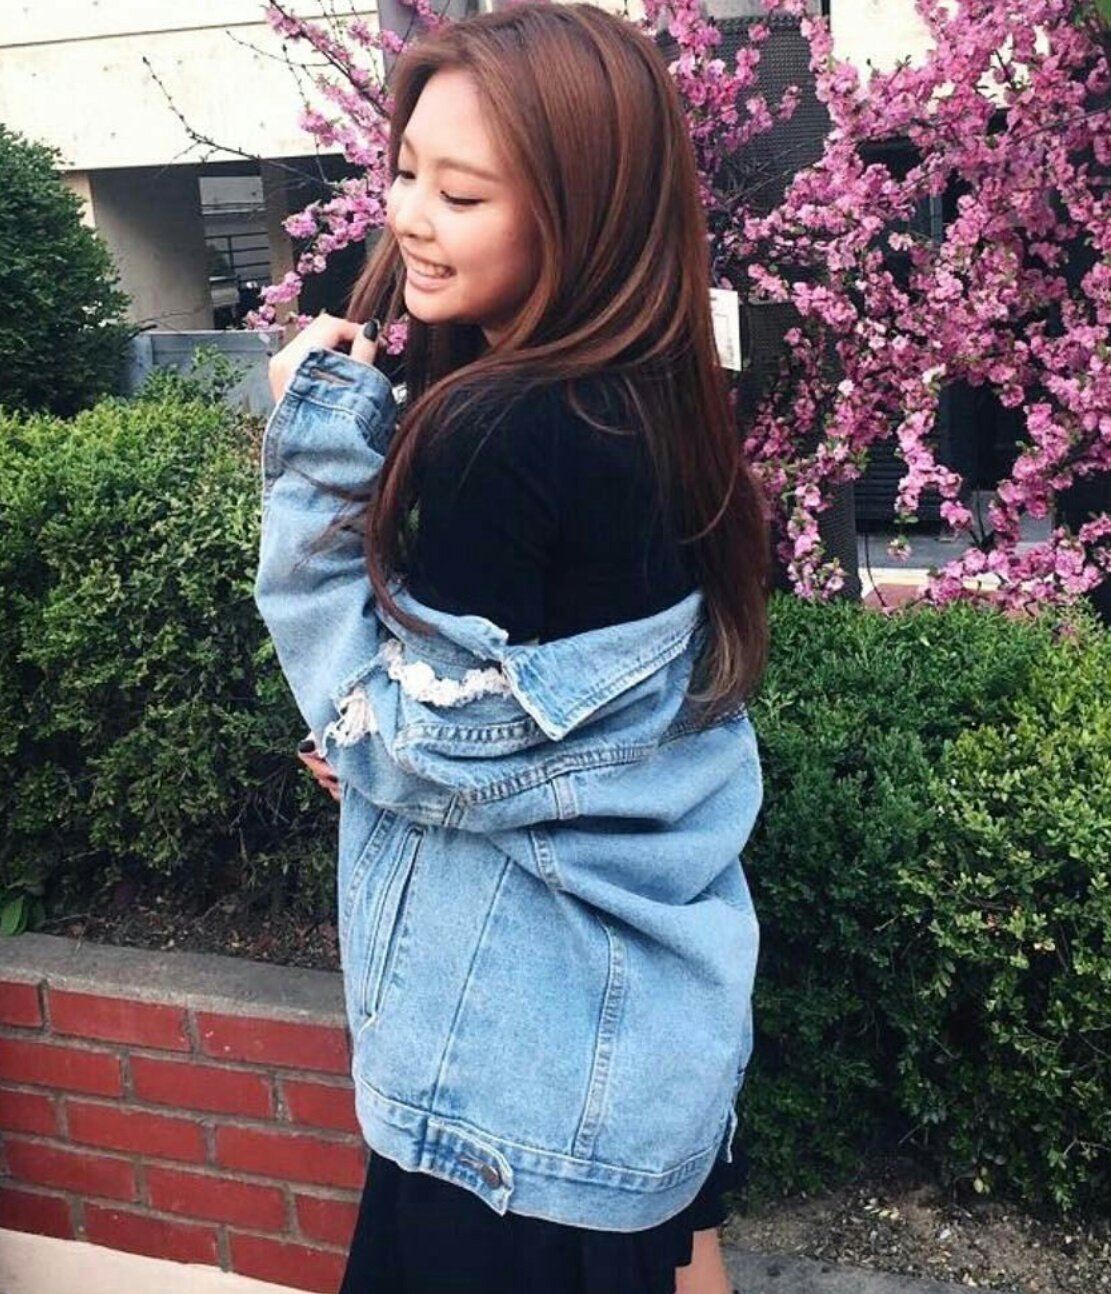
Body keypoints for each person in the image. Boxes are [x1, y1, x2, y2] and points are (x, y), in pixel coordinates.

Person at [255, 4, 770, 1291]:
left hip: (509, 1080)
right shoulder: (660, 390)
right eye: (405, 171)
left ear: (579, 214)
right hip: (652, 1026)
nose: (408, 219)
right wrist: (422, 738)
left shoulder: (505, 428)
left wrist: (313, 447)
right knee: (678, 1251)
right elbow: (561, 715)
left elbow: (413, 747)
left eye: (463, 193)